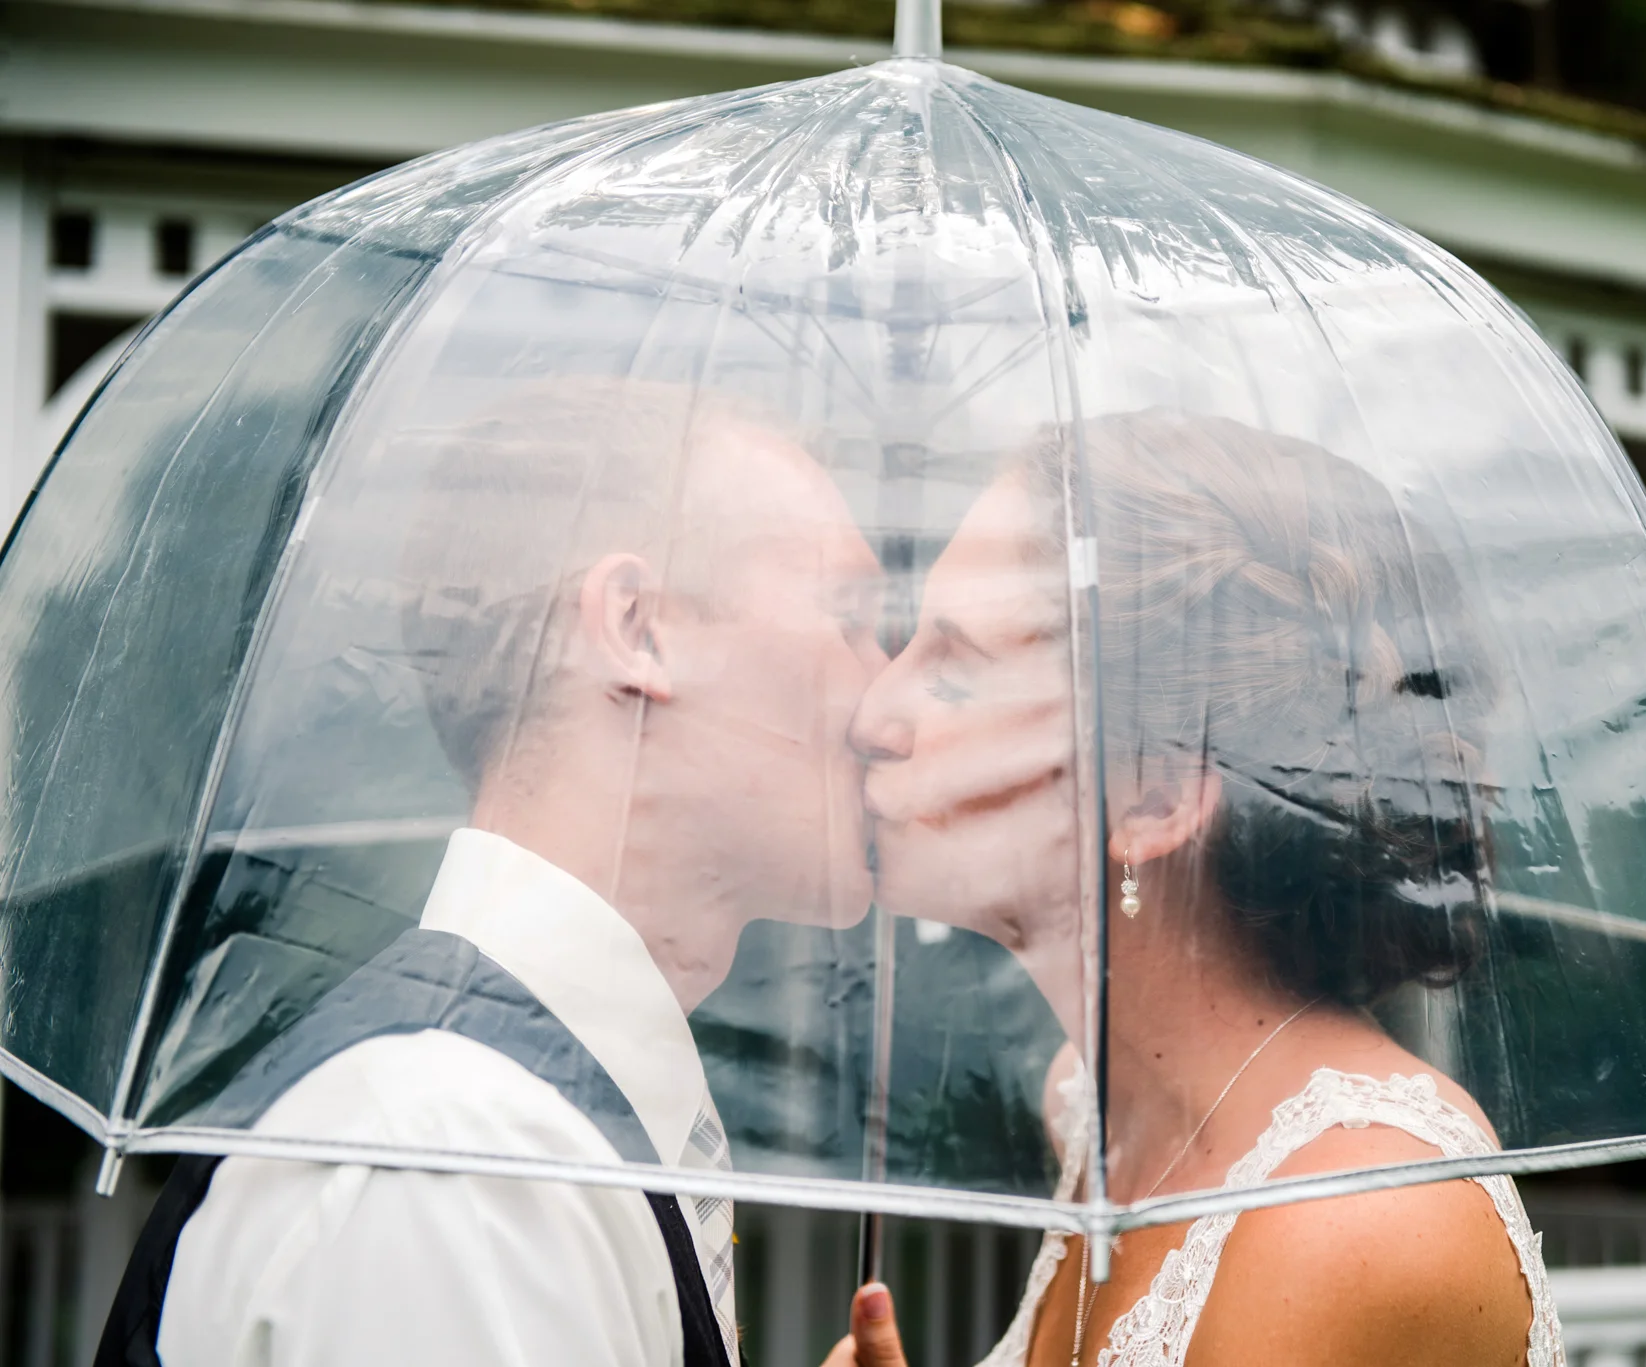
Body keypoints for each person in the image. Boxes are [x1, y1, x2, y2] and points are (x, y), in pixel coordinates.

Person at [96, 378, 886, 1367]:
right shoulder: (457, 1161)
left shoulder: (518, 1124)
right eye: (848, 613)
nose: (884, 689)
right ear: (638, 627)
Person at [849, 410, 1563, 1366]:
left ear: (1151, 792)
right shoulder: (1103, 1107)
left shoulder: (1354, 1221)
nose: (871, 714)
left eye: (954, 670)